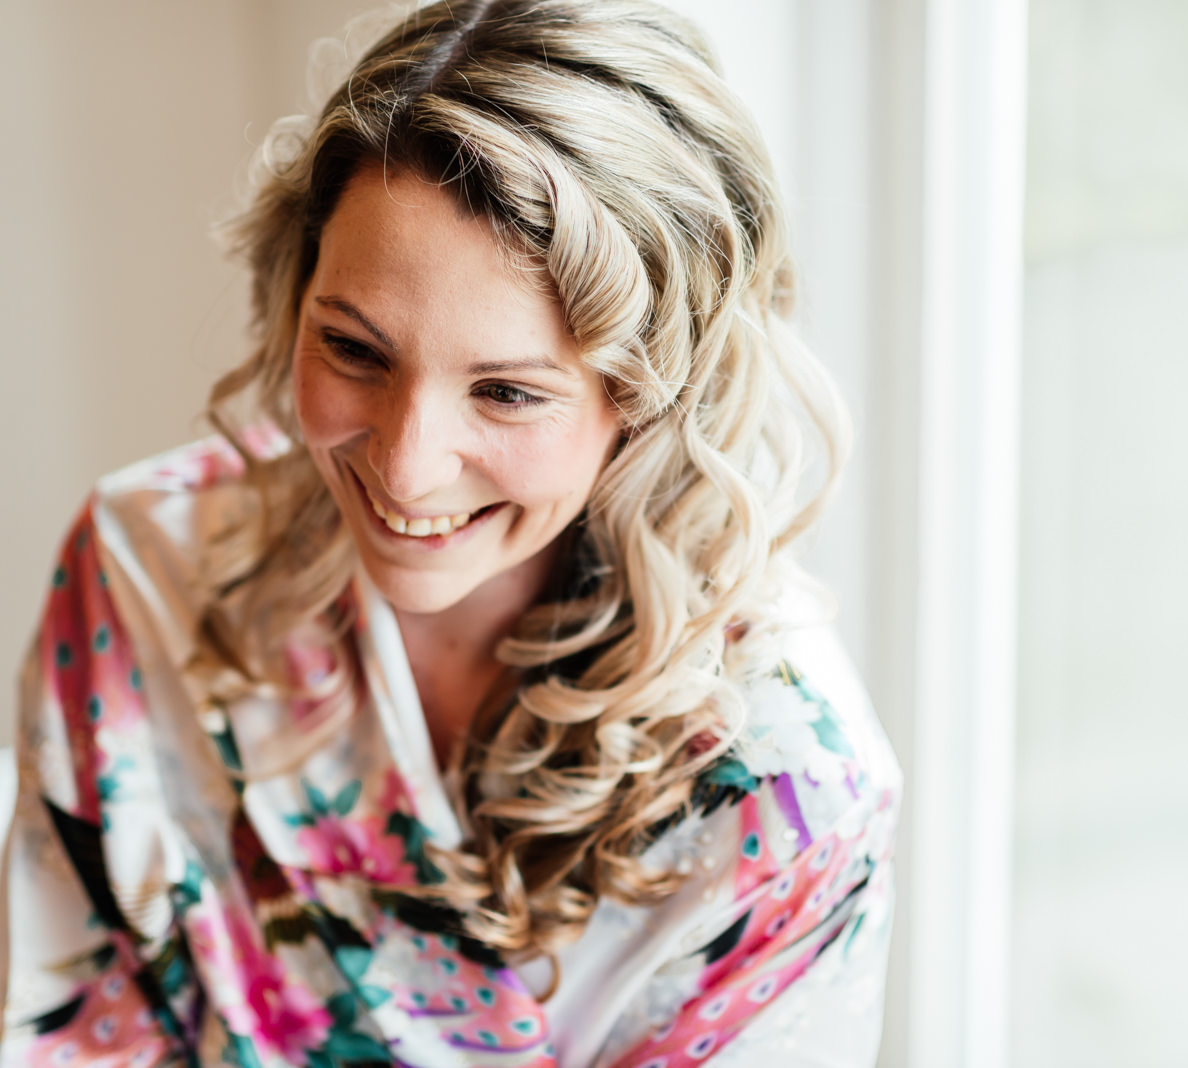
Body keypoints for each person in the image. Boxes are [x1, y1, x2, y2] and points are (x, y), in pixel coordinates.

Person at [1, 2, 899, 1065]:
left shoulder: (784, 789)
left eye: (509, 394)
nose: (404, 463)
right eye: (354, 349)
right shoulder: (145, 576)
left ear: (653, 399)